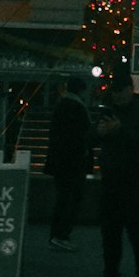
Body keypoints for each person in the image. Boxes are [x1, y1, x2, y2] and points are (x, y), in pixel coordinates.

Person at [86, 73, 139, 277]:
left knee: (136, 232)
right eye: (114, 93)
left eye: (120, 92)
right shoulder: (110, 111)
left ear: (130, 90)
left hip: (135, 181)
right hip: (111, 179)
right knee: (110, 233)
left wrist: (119, 130)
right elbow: (91, 137)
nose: (117, 97)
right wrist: (98, 132)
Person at [44, 76, 92, 251]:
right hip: (72, 162)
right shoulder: (77, 107)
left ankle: (58, 235)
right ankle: (61, 234)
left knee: (63, 198)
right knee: (70, 198)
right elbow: (81, 135)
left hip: (63, 161)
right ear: (81, 89)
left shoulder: (63, 106)